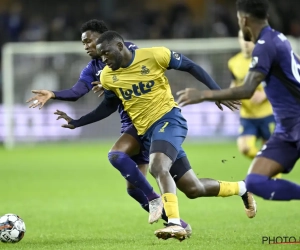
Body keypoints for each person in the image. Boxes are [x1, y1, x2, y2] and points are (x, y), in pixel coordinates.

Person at [55, 30, 257, 241]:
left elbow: (191, 66)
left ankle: (175, 224)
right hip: (146, 133)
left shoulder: (155, 55)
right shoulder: (107, 76)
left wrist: (216, 92)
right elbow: (107, 107)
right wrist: (77, 122)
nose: (103, 59)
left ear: (120, 46)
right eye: (100, 56)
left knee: (157, 166)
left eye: (106, 53)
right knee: (193, 188)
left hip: (169, 121)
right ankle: (243, 187)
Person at [177, 0, 300, 202]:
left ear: (243, 20)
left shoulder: (265, 45)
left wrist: (203, 95)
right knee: (255, 182)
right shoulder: (278, 39)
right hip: (286, 130)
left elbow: (247, 89)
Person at [228, 30, 281, 178]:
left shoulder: (266, 60)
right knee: (244, 148)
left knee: (267, 148)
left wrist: (264, 94)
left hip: (267, 114)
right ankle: (268, 166)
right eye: (241, 38)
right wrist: (231, 96)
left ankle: (273, 175)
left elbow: (278, 82)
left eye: (248, 39)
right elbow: (234, 83)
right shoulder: (233, 62)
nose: (245, 42)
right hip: (247, 115)